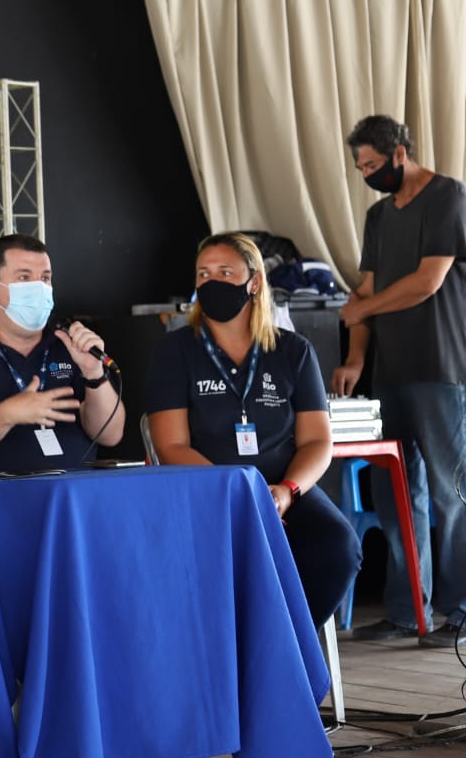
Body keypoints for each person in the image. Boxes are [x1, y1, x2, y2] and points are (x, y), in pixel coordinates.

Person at [333, 115, 466, 647]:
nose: (367, 175)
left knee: (456, 493)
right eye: (360, 168)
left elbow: (427, 282)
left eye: (373, 165)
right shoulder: (379, 215)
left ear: (400, 152)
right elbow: (364, 295)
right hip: (392, 372)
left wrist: (362, 314)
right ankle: (409, 611)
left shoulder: (449, 195)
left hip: (443, 365)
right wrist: (356, 360)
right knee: (397, 492)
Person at [146, 233, 362, 626]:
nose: (212, 282)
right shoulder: (175, 351)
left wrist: (287, 492)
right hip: (208, 491)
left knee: (339, 546)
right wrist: (240, 493)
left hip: (280, 490)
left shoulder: (293, 351)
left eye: (225, 272)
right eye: (203, 273)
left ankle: (286, 650)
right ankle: (247, 653)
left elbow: (317, 441)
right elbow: (171, 445)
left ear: (255, 281)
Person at [0, 233, 125, 473]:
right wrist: (8, 414)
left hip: (77, 493)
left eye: (45, 278)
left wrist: (95, 374)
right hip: (0, 497)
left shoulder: (69, 345)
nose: (39, 288)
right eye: (24, 278)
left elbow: (111, 435)